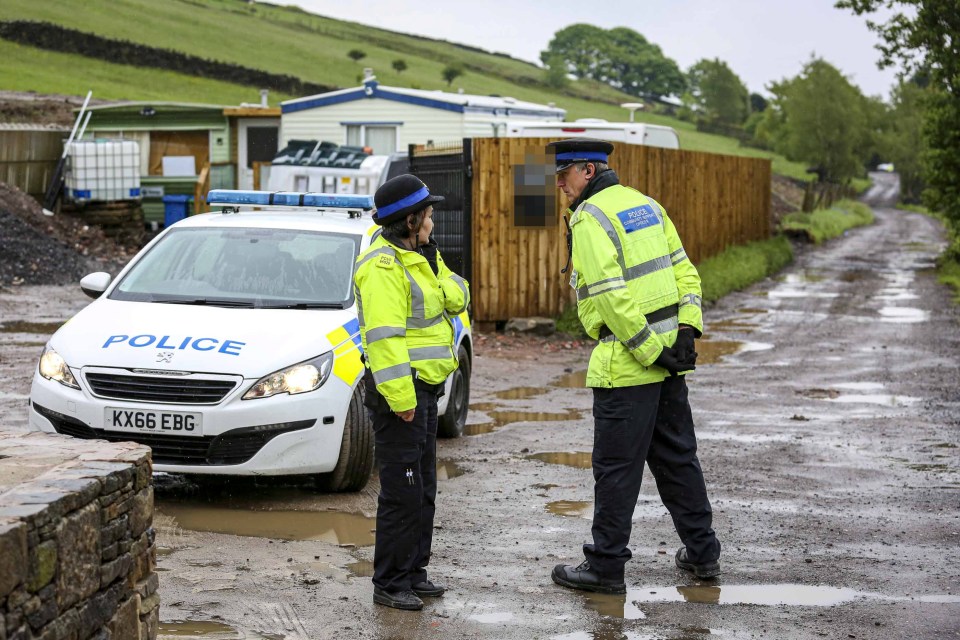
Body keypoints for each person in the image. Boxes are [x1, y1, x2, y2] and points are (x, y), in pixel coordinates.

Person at [547, 138, 722, 595]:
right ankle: (703, 554)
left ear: (588, 170)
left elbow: (609, 293)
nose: (559, 184)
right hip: (668, 364)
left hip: (627, 367)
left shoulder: (589, 218)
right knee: (679, 460)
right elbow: (687, 273)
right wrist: (686, 332)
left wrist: (648, 350)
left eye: (564, 175)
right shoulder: (646, 205)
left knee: (616, 471)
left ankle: (605, 568)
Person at [354, 174, 470, 611]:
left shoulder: (422, 257)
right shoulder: (383, 266)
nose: (433, 221)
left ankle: (414, 573)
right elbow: (386, 341)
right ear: (410, 221)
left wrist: (436, 265)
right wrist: (402, 402)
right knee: (402, 493)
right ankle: (389, 583)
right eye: (429, 215)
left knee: (422, 489)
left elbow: (459, 297)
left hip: (425, 392)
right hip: (400, 398)